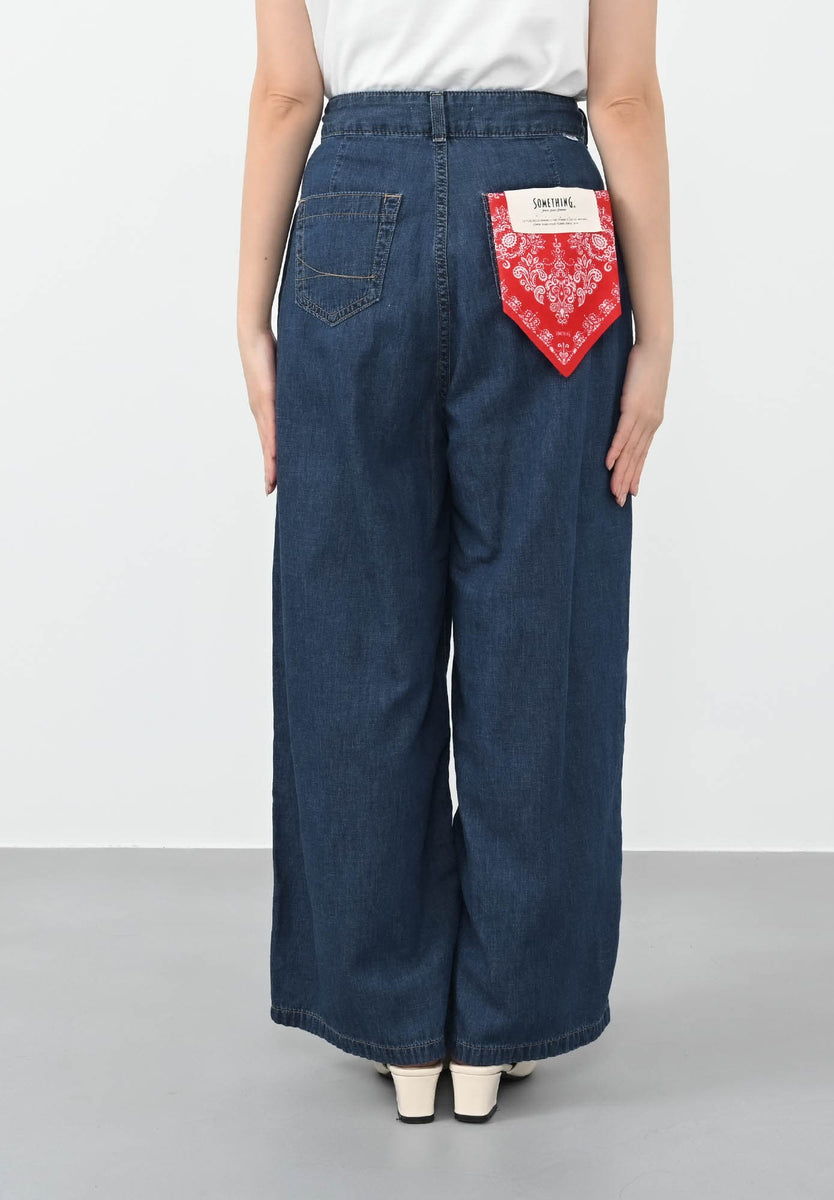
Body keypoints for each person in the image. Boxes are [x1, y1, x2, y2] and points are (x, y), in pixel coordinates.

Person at [237, 0, 672, 1123]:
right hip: (547, 209)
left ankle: (394, 1025)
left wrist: (249, 319)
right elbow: (622, 97)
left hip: (352, 213)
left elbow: (288, 94)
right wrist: (660, 336)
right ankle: (505, 1022)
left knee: (354, 631)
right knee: (540, 622)